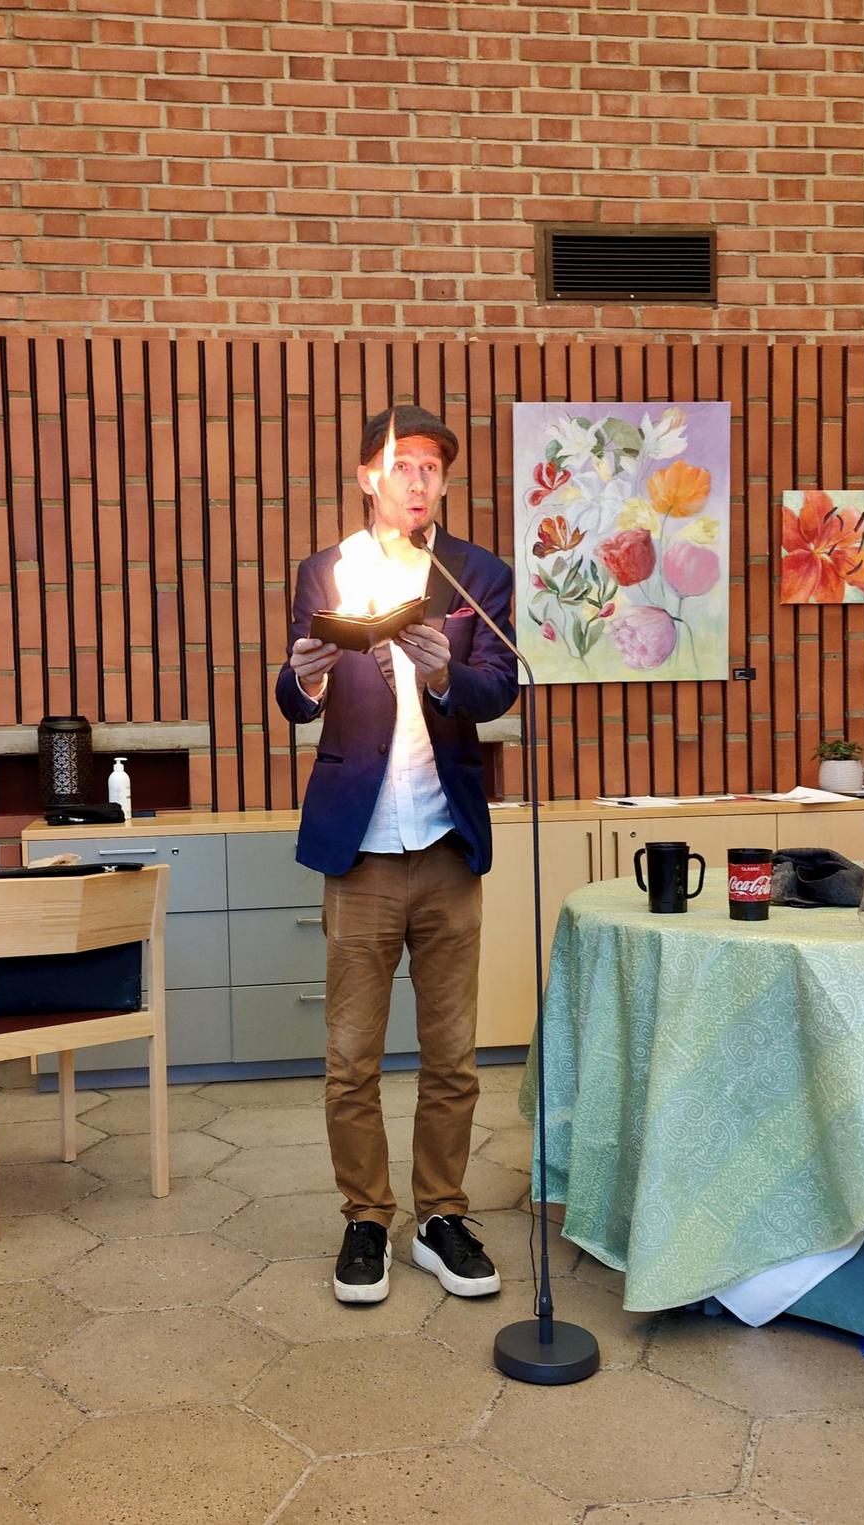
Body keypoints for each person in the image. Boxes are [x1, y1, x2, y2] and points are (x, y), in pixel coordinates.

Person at [275, 403, 519, 1304]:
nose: (417, 479)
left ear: (444, 482)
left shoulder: (474, 574)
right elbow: (293, 692)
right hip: (362, 847)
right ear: (367, 477)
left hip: (447, 840)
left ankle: (441, 1215)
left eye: (430, 466)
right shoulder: (326, 569)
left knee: (452, 1056)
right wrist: (303, 679)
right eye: (400, 463)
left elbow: (498, 686)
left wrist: (446, 670)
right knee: (352, 1059)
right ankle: (367, 1219)